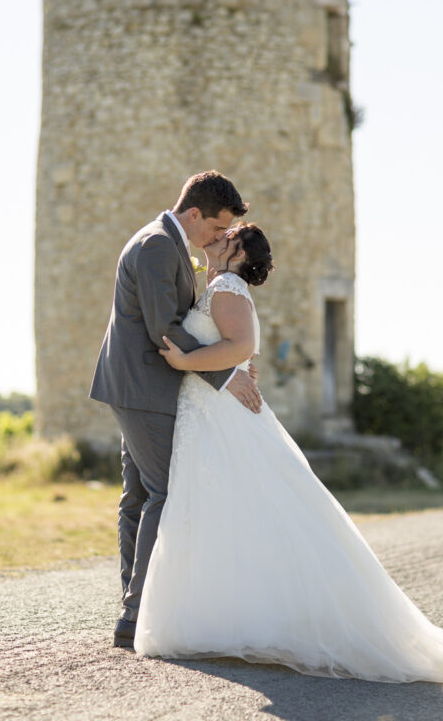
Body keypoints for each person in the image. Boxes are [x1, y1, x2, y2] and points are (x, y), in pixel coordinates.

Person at [134, 221, 443, 685]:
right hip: (210, 410)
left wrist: (184, 361)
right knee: (225, 509)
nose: (218, 238)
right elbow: (232, 349)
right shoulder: (220, 284)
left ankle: (232, 620)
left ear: (239, 254)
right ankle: (227, 616)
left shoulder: (225, 284)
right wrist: (221, 364)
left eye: (228, 237)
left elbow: (241, 346)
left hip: (219, 411)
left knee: (237, 504)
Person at [89, 171, 262, 649]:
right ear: (193, 214)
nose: (219, 237)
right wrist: (227, 374)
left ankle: (135, 604)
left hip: (144, 385)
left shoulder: (169, 244)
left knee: (138, 497)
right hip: (145, 386)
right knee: (163, 494)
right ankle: (136, 611)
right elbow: (163, 326)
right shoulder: (158, 246)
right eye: (216, 227)